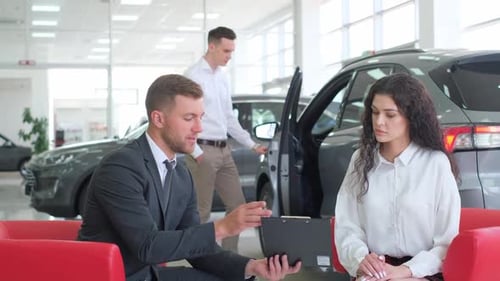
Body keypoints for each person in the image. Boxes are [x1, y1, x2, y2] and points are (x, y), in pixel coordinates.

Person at [78, 74, 301, 281]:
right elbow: (148, 246)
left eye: (201, 117)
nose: (199, 128)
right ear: (158, 118)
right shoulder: (120, 167)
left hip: (149, 275)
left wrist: (252, 266)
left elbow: (197, 250)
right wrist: (222, 227)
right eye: (189, 118)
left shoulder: (181, 174)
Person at [334, 73, 461, 281]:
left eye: (390, 115)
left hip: (422, 272)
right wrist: (361, 260)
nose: (379, 122)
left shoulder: (435, 163)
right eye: (374, 113)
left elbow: (446, 243)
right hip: (375, 270)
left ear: (411, 117)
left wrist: (405, 271)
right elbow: (347, 226)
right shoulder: (360, 160)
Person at [184, 26, 267, 253]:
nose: (230, 56)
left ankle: (229, 257)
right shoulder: (192, 77)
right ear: (212, 46)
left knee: (238, 207)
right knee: (201, 212)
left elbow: (229, 119)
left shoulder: (222, 78)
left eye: (232, 51)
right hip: (203, 150)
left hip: (224, 150)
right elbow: (185, 118)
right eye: (226, 50)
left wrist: (252, 145)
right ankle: (199, 257)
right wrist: (195, 153)